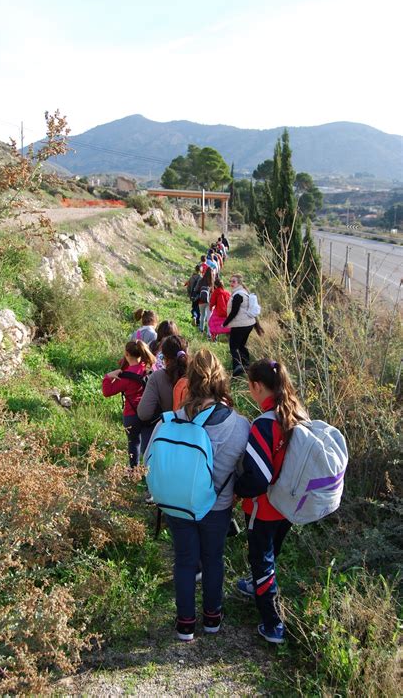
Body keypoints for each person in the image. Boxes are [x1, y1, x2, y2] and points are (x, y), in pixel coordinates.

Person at [148, 349, 249, 641]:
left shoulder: (169, 421)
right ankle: (212, 619)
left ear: (188, 381)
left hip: (177, 505)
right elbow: (245, 469)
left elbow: (150, 460)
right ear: (221, 381)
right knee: (213, 559)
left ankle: (185, 625)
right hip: (216, 507)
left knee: (184, 561)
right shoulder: (239, 425)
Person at [234, 359, 309, 644]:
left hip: (263, 507)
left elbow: (258, 479)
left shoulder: (263, 424)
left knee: (261, 561)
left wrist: (236, 488)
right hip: (290, 505)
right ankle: (257, 586)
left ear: (257, 386)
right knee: (271, 553)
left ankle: (272, 622)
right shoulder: (298, 413)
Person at [102, 340, 156, 468]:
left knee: (134, 443)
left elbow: (107, 392)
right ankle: (151, 470)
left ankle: (133, 471)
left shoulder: (125, 376)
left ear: (126, 353)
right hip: (149, 412)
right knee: (149, 443)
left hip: (131, 414)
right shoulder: (148, 368)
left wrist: (108, 376)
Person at [137, 335, 188, 450]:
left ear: (164, 357)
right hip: (195, 438)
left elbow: (144, 413)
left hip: (168, 436)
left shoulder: (157, 377)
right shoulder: (197, 375)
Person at [223, 274, 256, 375]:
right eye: (230, 281)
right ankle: (247, 366)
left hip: (240, 325)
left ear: (239, 283)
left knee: (234, 347)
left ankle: (237, 368)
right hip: (248, 324)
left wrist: (225, 323)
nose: (231, 283)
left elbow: (234, 312)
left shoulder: (238, 295)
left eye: (233, 281)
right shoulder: (243, 292)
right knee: (241, 345)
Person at [208, 278, 231, 342]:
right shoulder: (227, 293)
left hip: (218, 312)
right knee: (227, 326)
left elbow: (212, 302)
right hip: (227, 313)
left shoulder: (216, 292)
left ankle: (213, 338)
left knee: (212, 324)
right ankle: (229, 339)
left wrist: (210, 307)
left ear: (215, 285)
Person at [197, 268, 214, 334]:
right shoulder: (212, 282)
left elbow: (197, 289)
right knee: (209, 317)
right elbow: (213, 292)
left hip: (201, 301)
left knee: (202, 315)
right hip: (210, 301)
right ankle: (209, 333)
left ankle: (201, 329)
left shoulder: (201, 280)